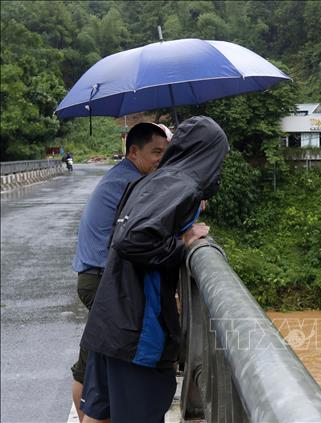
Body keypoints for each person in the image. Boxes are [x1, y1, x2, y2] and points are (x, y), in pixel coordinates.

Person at [79, 116, 229, 423]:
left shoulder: (148, 180)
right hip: (137, 331)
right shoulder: (180, 184)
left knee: (98, 414)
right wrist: (183, 245)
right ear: (209, 154)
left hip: (111, 320)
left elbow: (122, 234)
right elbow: (130, 239)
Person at [70, 122, 170, 422]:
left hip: (95, 277)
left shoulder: (123, 177)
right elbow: (144, 235)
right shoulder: (131, 183)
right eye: (155, 152)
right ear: (133, 151)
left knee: (91, 363)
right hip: (103, 281)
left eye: (164, 153)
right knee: (102, 370)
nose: (159, 160)